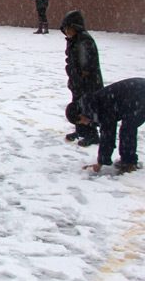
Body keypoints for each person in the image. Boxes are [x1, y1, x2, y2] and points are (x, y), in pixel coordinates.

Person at [70, 78, 145, 174]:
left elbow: (108, 136)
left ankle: (129, 163)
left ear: (80, 114)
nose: (84, 124)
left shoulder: (102, 108)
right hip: (137, 92)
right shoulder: (91, 104)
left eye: (81, 121)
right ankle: (128, 160)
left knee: (128, 129)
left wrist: (100, 163)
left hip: (140, 95)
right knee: (127, 128)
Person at [60, 10, 103, 147]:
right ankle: (81, 130)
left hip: (88, 83)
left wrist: (80, 77)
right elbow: (70, 60)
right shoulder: (73, 41)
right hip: (77, 82)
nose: (67, 32)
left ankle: (92, 134)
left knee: (88, 106)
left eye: (69, 28)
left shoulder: (84, 40)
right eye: (65, 29)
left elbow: (87, 65)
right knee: (78, 106)